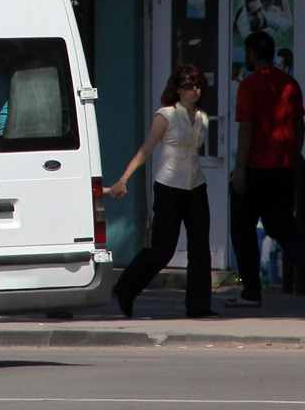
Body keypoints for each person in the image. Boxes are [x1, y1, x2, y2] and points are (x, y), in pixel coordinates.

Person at [108, 64, 215, 318]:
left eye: (198, 84)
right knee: (163, 249)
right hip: (169, 187)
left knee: (200, 247)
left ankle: (199, 306)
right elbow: (145, 150)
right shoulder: (165, 116)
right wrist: (123, 180)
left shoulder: (202, 118)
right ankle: (125, 288)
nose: (194, 89)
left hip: (196, 186)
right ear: (177, 89)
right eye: (188, 85)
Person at [228, 31, 305, 309]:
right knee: (282, 227)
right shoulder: (290, 84)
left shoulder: (249, 85)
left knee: (242, 226)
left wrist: (239, 169)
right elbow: (299, 124)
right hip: (283, 169)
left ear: (251, 53)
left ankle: (250, 292)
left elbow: (246, 126)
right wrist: (294, 157)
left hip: (255, 168)